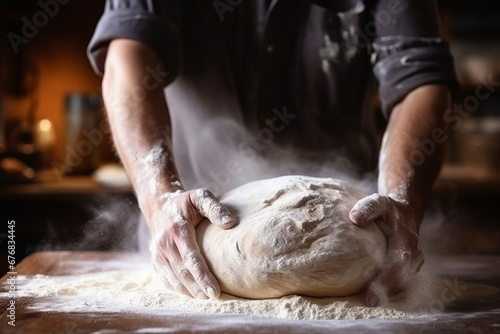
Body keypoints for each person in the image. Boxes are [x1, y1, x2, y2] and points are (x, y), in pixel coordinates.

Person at [87, 0, 457, 306]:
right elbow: (128, 51)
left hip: (354, 236)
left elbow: (420, 79)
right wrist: (159, 199)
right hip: (187, 241)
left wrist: (402, 200)